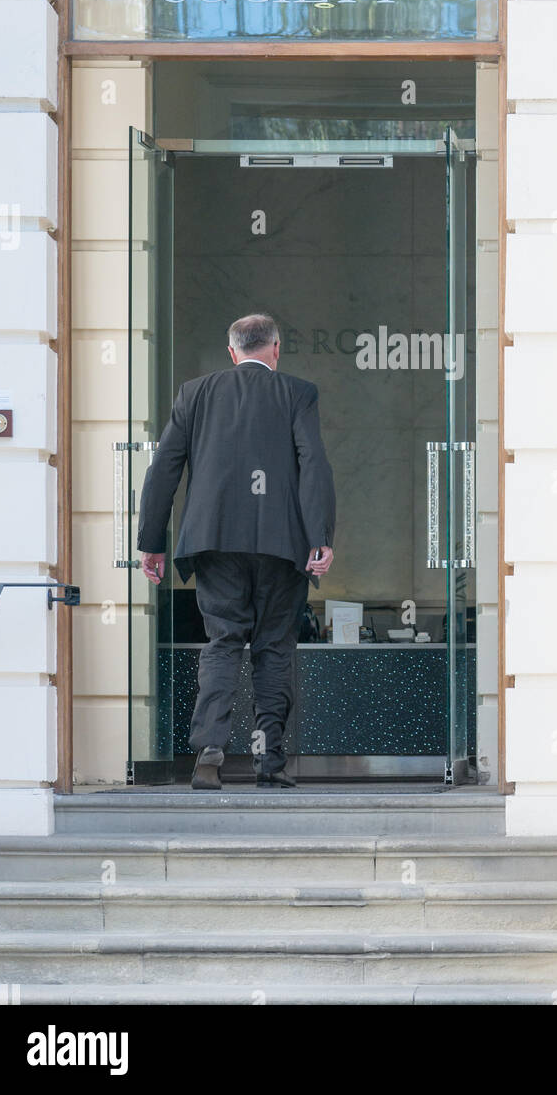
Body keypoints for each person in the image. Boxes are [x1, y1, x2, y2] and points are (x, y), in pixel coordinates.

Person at [136, 313, 336, 790]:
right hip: (280, 544)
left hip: (214, 540)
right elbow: (314, 465)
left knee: (222, 641)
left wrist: (152, 542)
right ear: (276, 349)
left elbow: (162, 468)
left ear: (232, 352)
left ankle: (210, 750)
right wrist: (320, 537)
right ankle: (270, 762)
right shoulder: (298, 393)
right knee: (273, 647)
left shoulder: (194, 393)